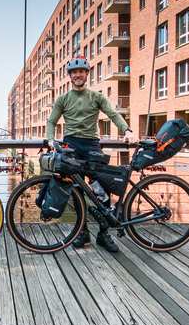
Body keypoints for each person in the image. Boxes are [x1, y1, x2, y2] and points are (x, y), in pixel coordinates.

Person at [46, 56, 134, 253]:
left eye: (81, 71)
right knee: (76, 191)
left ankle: (104, 234)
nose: (78, 75)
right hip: (71, 146)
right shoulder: (63, 99)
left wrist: (126, 130)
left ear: (87, 74)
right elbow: (51, 121)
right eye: (74, 72)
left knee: (101, 188)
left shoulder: (97, 97)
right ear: (70, 76)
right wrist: (51, 139)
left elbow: (113, 114)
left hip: (92, 145)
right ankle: (82, 233)